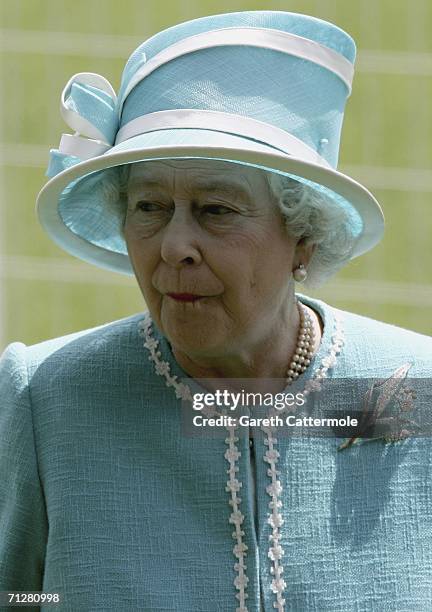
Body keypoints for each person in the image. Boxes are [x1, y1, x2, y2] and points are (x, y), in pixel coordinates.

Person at [1, 10, 431, 612]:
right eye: (150, 207)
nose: (174, 246)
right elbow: (11, 594)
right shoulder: (48, 399)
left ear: (302, 235)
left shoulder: (410, 390)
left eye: (216, 209)